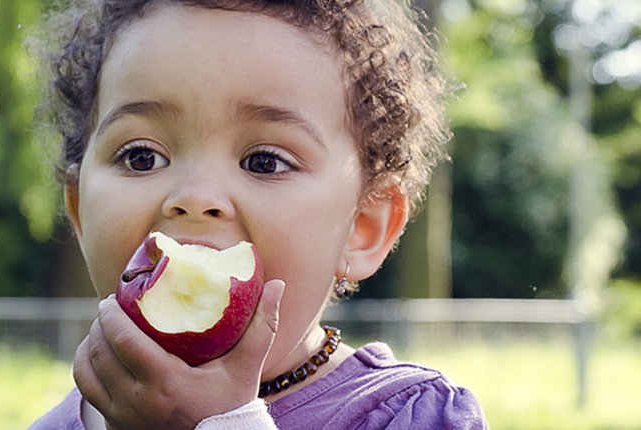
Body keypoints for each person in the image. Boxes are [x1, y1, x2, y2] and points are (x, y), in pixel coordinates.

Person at [29, 0, 487, 428]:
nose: (196, 197)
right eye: (141, 157)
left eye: (264, 162)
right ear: (79, 213)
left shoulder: (410, 417)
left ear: (361, 228)